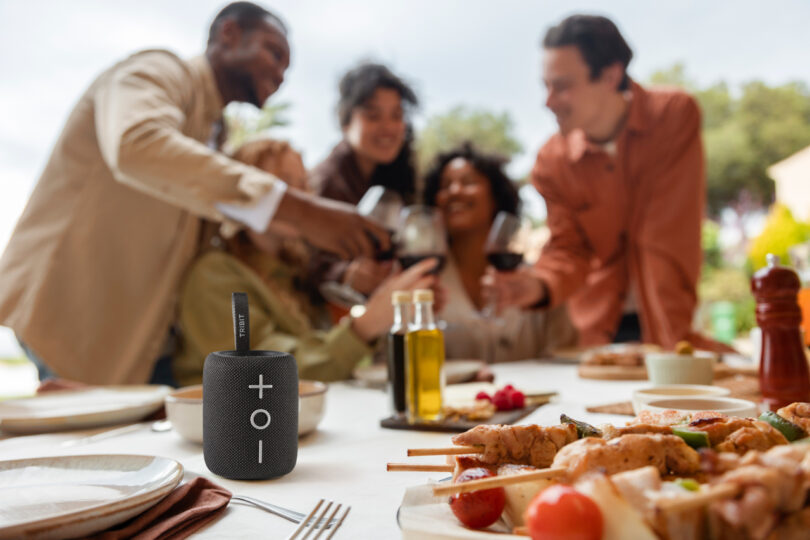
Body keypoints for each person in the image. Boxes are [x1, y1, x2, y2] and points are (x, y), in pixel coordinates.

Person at [0, 2, 390, 385]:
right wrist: (301, 212)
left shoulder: (215, 132)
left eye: (287, 66)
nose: (281, 72)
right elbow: (136, 144)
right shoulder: (157, 70)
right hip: (70, 316)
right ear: (229, 34)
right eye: (274, 53)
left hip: (135, 339)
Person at [487, 14, 730, 351]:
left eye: (562, 86)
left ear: (611, 75)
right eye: (545, 85)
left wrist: (671, 343)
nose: (548, 101)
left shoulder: (674, 116)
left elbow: (663, 229)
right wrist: (537, 286)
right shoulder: (551, 162)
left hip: (668, 327)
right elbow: (568, 249)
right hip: (596, 334)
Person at [175, 137, 439, 386]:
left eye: (304, 184)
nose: (301, 197)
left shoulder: (296, 272)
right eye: (281, 186)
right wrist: (365, 325)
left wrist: (398, 315)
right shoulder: (215, 275)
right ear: (248, 194)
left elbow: (331, 361)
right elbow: (264, 375)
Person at [423, 143, 577, 362]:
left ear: (496, 197)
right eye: (445, 185)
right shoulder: (424, 284)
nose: (454, 191)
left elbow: (566, 356)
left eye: (468, 182)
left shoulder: (536, 284)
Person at [309, 62, 419, 297]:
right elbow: (298, 260)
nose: (388, 128)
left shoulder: (397, 180)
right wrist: (343, 274)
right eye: (373, 116)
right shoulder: (324, 182)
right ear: (345, 122)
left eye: (396, 115)